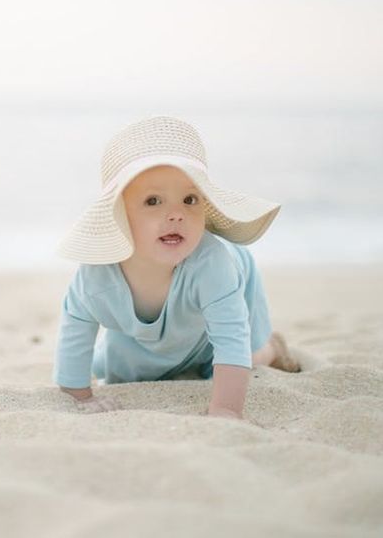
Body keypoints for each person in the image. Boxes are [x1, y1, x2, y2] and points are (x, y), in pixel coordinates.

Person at [53, 115, 300, 419]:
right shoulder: (97, 277)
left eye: (189, 199)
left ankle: (273, 349)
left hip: (222, 299)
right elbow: (76, 327)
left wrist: (225, 409)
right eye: (153, 200)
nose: (176, 214)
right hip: (150, 330)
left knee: (246, 357)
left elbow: (230, 336)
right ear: (118, 215)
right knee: (120, 371)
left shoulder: (214, 264)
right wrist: (81, 396)